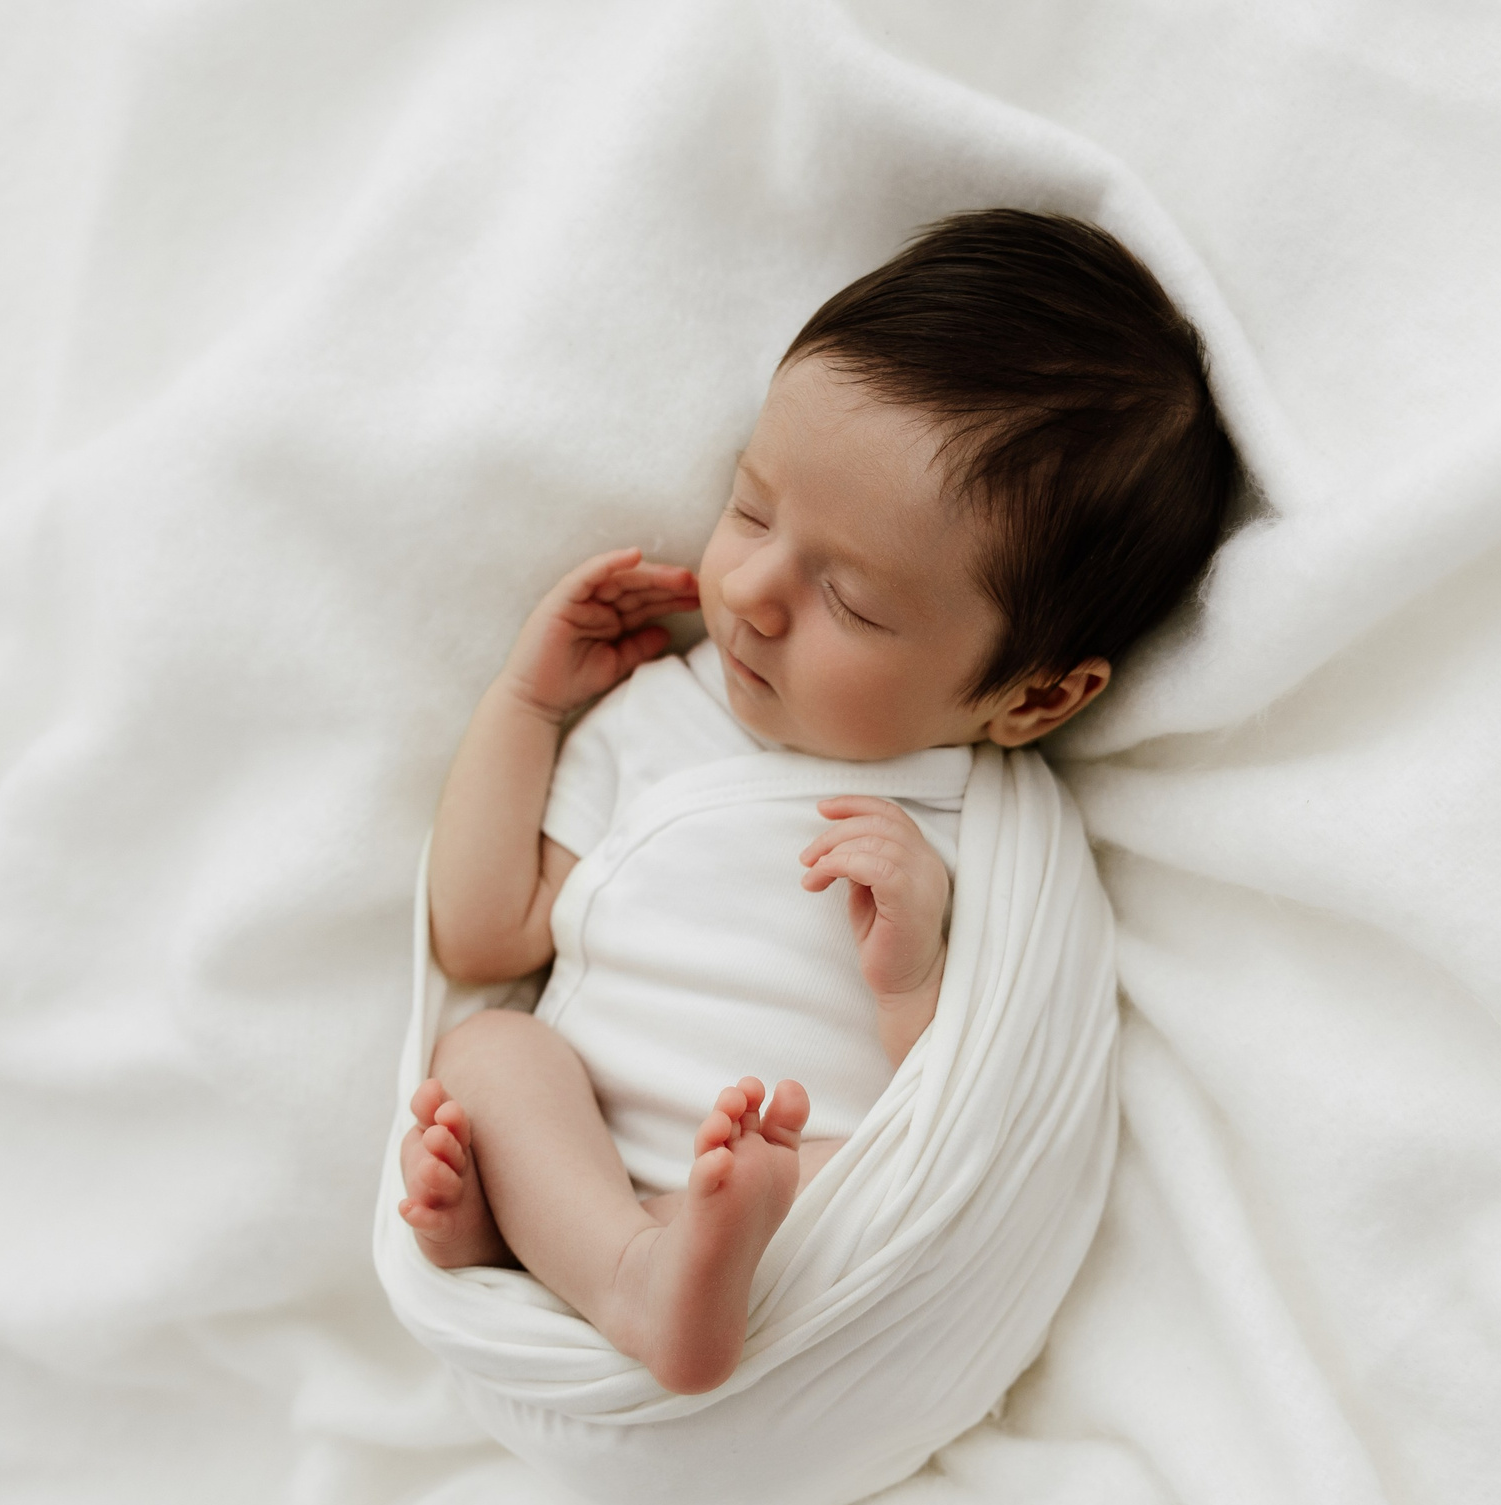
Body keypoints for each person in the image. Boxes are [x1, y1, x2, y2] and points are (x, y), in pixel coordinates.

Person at [396, 209, 1235, 1394]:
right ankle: (595, 1250)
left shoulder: (983, 827)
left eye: (851, 601)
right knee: (489, 1049)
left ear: (1034, 695)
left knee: (852, 1173)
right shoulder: (660, 719)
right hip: (598, 1149)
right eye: (749, 507)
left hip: (804, 1198)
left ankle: (638, 1257)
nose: (747, 587)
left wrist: (910, 976)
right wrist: (524, 708)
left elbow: (979, 1100)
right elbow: (485, 930)